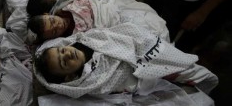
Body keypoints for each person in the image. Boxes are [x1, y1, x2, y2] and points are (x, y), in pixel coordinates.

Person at [33, 22, 218, 99]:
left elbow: (116, 34)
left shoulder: (85, 39)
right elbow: (109, 82)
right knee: (180, 74)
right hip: (138, 73)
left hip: (139, 46)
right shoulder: (90, 80)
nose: (67, 54)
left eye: (62, 50)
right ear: (69, 77)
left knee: (189, 67)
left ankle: (202, 77)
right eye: (64, 63)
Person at [28, 0, 170, 43]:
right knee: (149, 30)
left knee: (140, 10)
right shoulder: (71, 38)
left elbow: (92, 2)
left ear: (48, 14)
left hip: (107, 9)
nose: (58, 26)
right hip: (109, 24)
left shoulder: (64, 8)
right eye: (54, 32)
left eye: (53, 21)